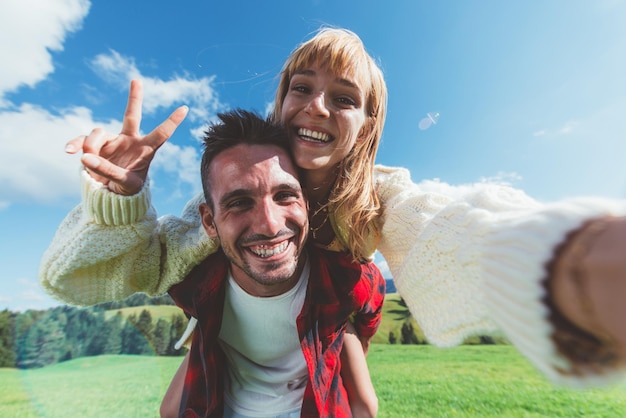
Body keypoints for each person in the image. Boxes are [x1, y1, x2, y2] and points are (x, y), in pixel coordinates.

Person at [40, 25, 626, 399]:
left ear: (367, 122)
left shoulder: (378, 200)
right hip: (229, 351)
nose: (316, 106)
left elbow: (453, 228)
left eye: (344, 98)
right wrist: (118, 200)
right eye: (302, 87)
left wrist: (575, 257)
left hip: (325, 344)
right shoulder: (226, 198)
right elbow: (93, 272)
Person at [163, 109, 385, 417]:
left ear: (306, 203)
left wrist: (348, 343)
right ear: (209, 222)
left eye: (284, 196)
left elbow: (370, 311)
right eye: (239, 202)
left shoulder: (344, 278)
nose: (269, 225)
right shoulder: (194, 283)